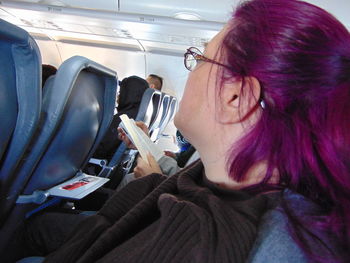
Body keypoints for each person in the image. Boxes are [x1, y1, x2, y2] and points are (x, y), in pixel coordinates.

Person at [16, 0, 350, 262]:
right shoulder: (219, 185)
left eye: (201, 58)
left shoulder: (209, 241)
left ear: (237, 97)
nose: (192, 69)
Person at [91, 75, 149, 162]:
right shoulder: (139, 115)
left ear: (128, 95)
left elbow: (99, 150)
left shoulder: (123, 118)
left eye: (121, 93)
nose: (118, 96)